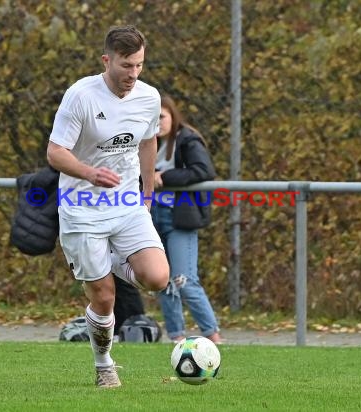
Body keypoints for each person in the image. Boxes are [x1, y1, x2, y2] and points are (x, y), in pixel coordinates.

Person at [46, 25, 169, 389]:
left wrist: (146, 196)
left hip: (127, 203)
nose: (133, 75)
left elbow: (148, 142)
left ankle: (111, 260)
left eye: (139, 66)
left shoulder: (148, 97)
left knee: (158, 278)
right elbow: (55, 152)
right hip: (82, 207)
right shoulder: (81, 96)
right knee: (104, 296)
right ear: (107, 60)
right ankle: (104, 365)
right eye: (126, 66)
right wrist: (88, 173)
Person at [151, 95, 222, 344]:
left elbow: (203, 171)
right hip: (151, 216)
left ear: (172, 115)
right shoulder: (146, 142)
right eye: (152, 117)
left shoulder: (187, 139)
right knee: (163, 280)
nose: (157, 122)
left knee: (184, 280)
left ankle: (212, 336)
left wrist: (166, 177)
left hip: (179, 217)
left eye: (161, 116)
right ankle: (177, 338)